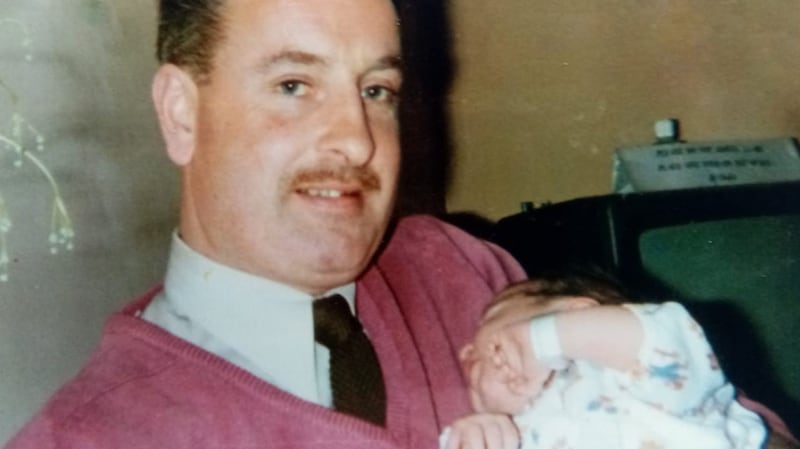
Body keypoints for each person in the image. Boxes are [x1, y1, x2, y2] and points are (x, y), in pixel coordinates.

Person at [2, 0, 794, 448]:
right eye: (293, 85)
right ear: (182, 113)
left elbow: (736, 421)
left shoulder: (460, 270)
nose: (356, 139)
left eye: (376, 90)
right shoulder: (94, 434)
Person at [441, 271, 798, 449]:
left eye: (492, 317)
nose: (465, 350)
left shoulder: (627, 372)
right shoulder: (524, 430)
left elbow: (659, 333)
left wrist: (542, 340)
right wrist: (481, 435)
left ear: (577, 312)